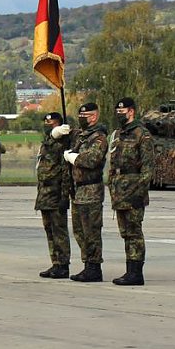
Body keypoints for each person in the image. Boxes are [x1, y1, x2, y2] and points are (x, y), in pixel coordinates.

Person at [108, 97, 155, 286]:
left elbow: (147, 168)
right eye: (117, 111)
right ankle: (129, 270)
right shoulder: (119, 134)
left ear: (131, 111)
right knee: (125, 233)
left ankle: (136, 272)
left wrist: (139, 192)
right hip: (120, 190)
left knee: (134, 232)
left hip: (134, 190)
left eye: (122, 111)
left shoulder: (142, 134)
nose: (119, 114)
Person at [64, 103, 109, 282]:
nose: (82, 118)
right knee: (79, 231)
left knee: (91, 231)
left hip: (91, 190)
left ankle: (94, 267)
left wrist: (73, 157)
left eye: (86, 115)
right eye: (80, 115)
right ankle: (87, 264)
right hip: (78, 190)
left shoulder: (99, 138)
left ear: (94, 117)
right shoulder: (80, 136)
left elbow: (92, 160)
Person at [35, 112, 72, 279]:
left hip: (56, 192)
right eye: (46, 122)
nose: (48, 125)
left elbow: (65, 171)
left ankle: (63, 265)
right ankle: (55, 262)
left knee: (59, 231)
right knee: (49, 230)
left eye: (52, 123)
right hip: (44, 193)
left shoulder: (62, 144)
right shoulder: (46, 143)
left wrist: (65, 195)